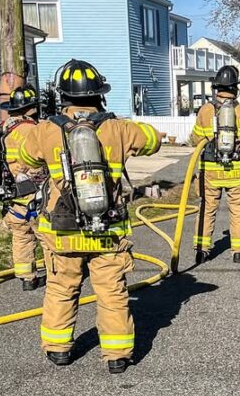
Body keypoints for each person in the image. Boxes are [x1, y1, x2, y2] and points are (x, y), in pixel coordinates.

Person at [19, 59, 164, 374]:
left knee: (61, 287)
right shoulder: (117, 128)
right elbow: (153, 140)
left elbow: (25, 156)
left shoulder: (46, 129)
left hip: (61, 229)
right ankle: (117, 357)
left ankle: (58, 350)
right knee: (111, 290)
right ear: (99, 94)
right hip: (107, 229)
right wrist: (130, 132)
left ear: (64, 96)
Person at [189, 66, 240, 264]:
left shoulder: (206, 110)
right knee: (238, 209)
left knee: (207, 208)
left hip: (210, 171)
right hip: (235, 171)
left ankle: (201, 250)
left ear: (216, 87)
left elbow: (195, 139)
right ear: (235, 88)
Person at [0, 85, 46, 291]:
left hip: (14, 197)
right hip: (36, 194)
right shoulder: (32, 130)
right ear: (30, 108)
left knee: (21, 236)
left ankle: (27, 277)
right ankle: (58, 275)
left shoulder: (5, 130)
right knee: (47, 236)